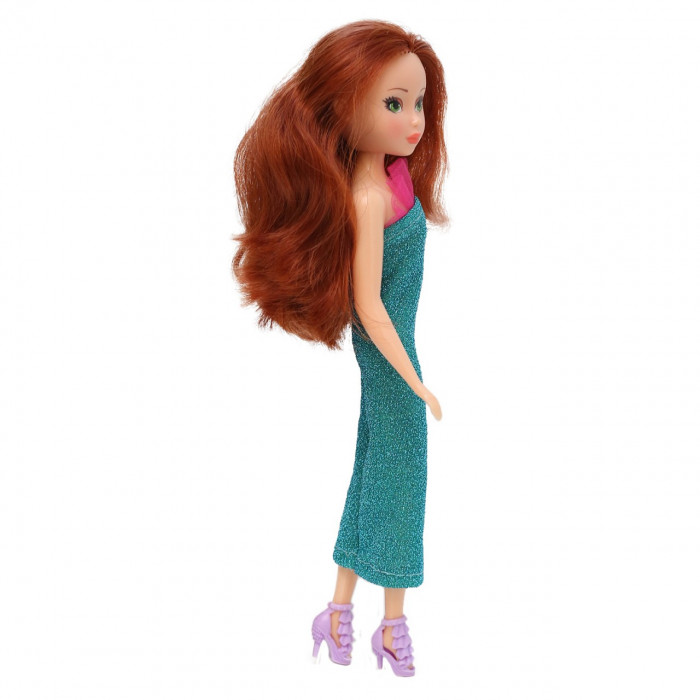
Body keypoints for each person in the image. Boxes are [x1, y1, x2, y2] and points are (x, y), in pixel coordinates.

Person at [231, 20, 448, 677]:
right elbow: (369, 305)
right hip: (390, 354)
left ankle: (337, 611)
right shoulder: (368, 195)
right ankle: (394, 626)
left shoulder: (395, 174)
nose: (413, 120)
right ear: (341, 110)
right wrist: (414, 381)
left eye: (417, 102)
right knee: (402, 478)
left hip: (401, 348)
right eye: (393, 103)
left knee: (373, 466)